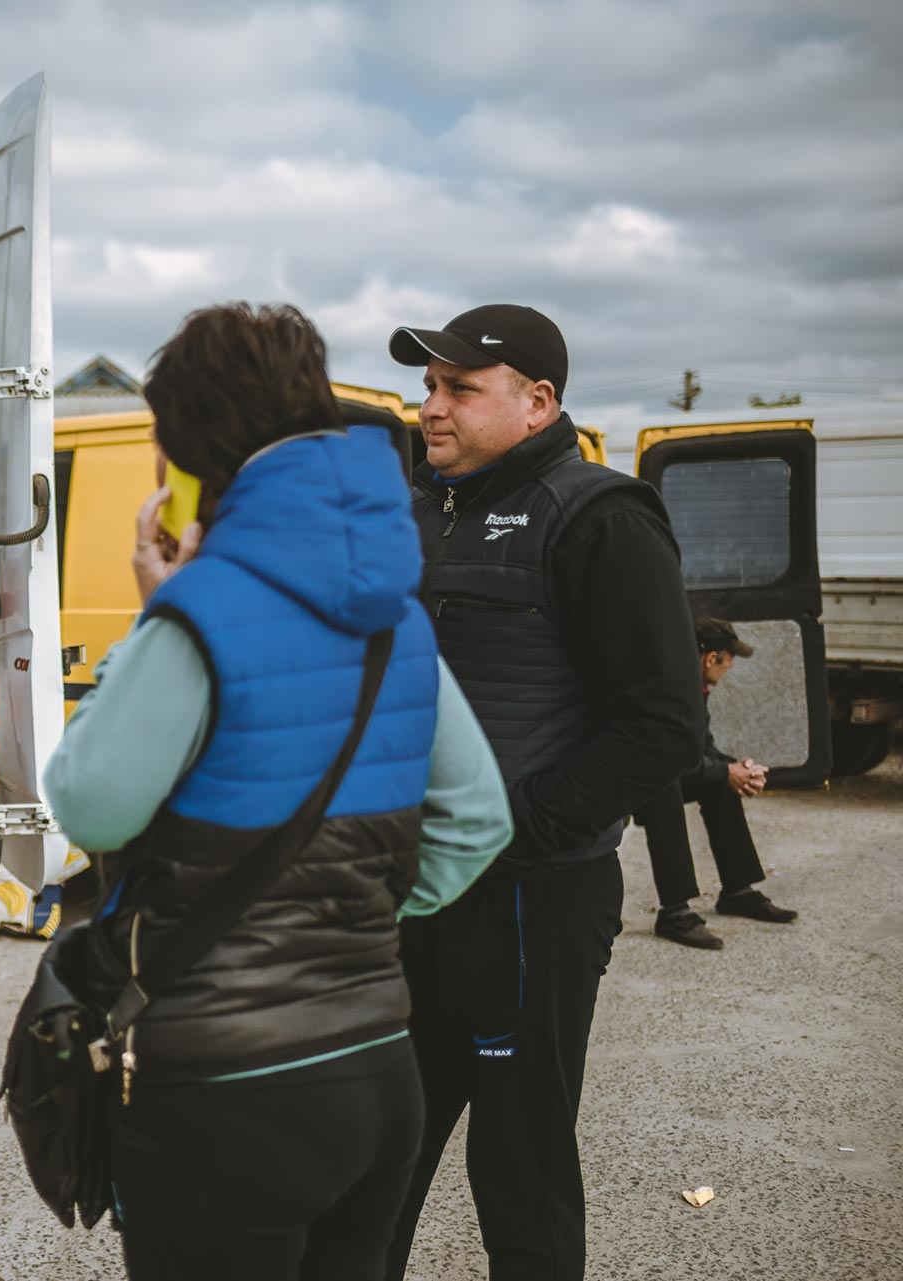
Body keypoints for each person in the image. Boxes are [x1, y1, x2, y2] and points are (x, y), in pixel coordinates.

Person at [41, 302, 515, 1280]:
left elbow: (89, 805)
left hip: (225, 1090)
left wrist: (159, 614)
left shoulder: (197, 617)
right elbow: (477, 821)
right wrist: (354, 910)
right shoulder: (397, 621)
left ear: (187, 451)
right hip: (383, 1066)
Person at [384, 304, 704, 1280]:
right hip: (410, 895)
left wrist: (511, 833)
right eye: (428, 385)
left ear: (538, 402)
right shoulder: (423, 511)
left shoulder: (600, 514)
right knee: (376, 1148)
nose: (430, 407)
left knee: (517, 1166)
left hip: (530, 899)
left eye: (457, 388)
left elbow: (660, 726)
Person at [634, 617, 799, 949]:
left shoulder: (695, 688)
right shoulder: (670, 690)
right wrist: (727, 771)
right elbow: (669, 760)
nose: (730, 666)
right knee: (663, 790)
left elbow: (700, 749)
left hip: (662, 766)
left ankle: (737, 891)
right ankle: (675, 913)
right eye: (729, 658)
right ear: (712, 658)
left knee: (719, 783)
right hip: (633, 777)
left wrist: (738, 769)